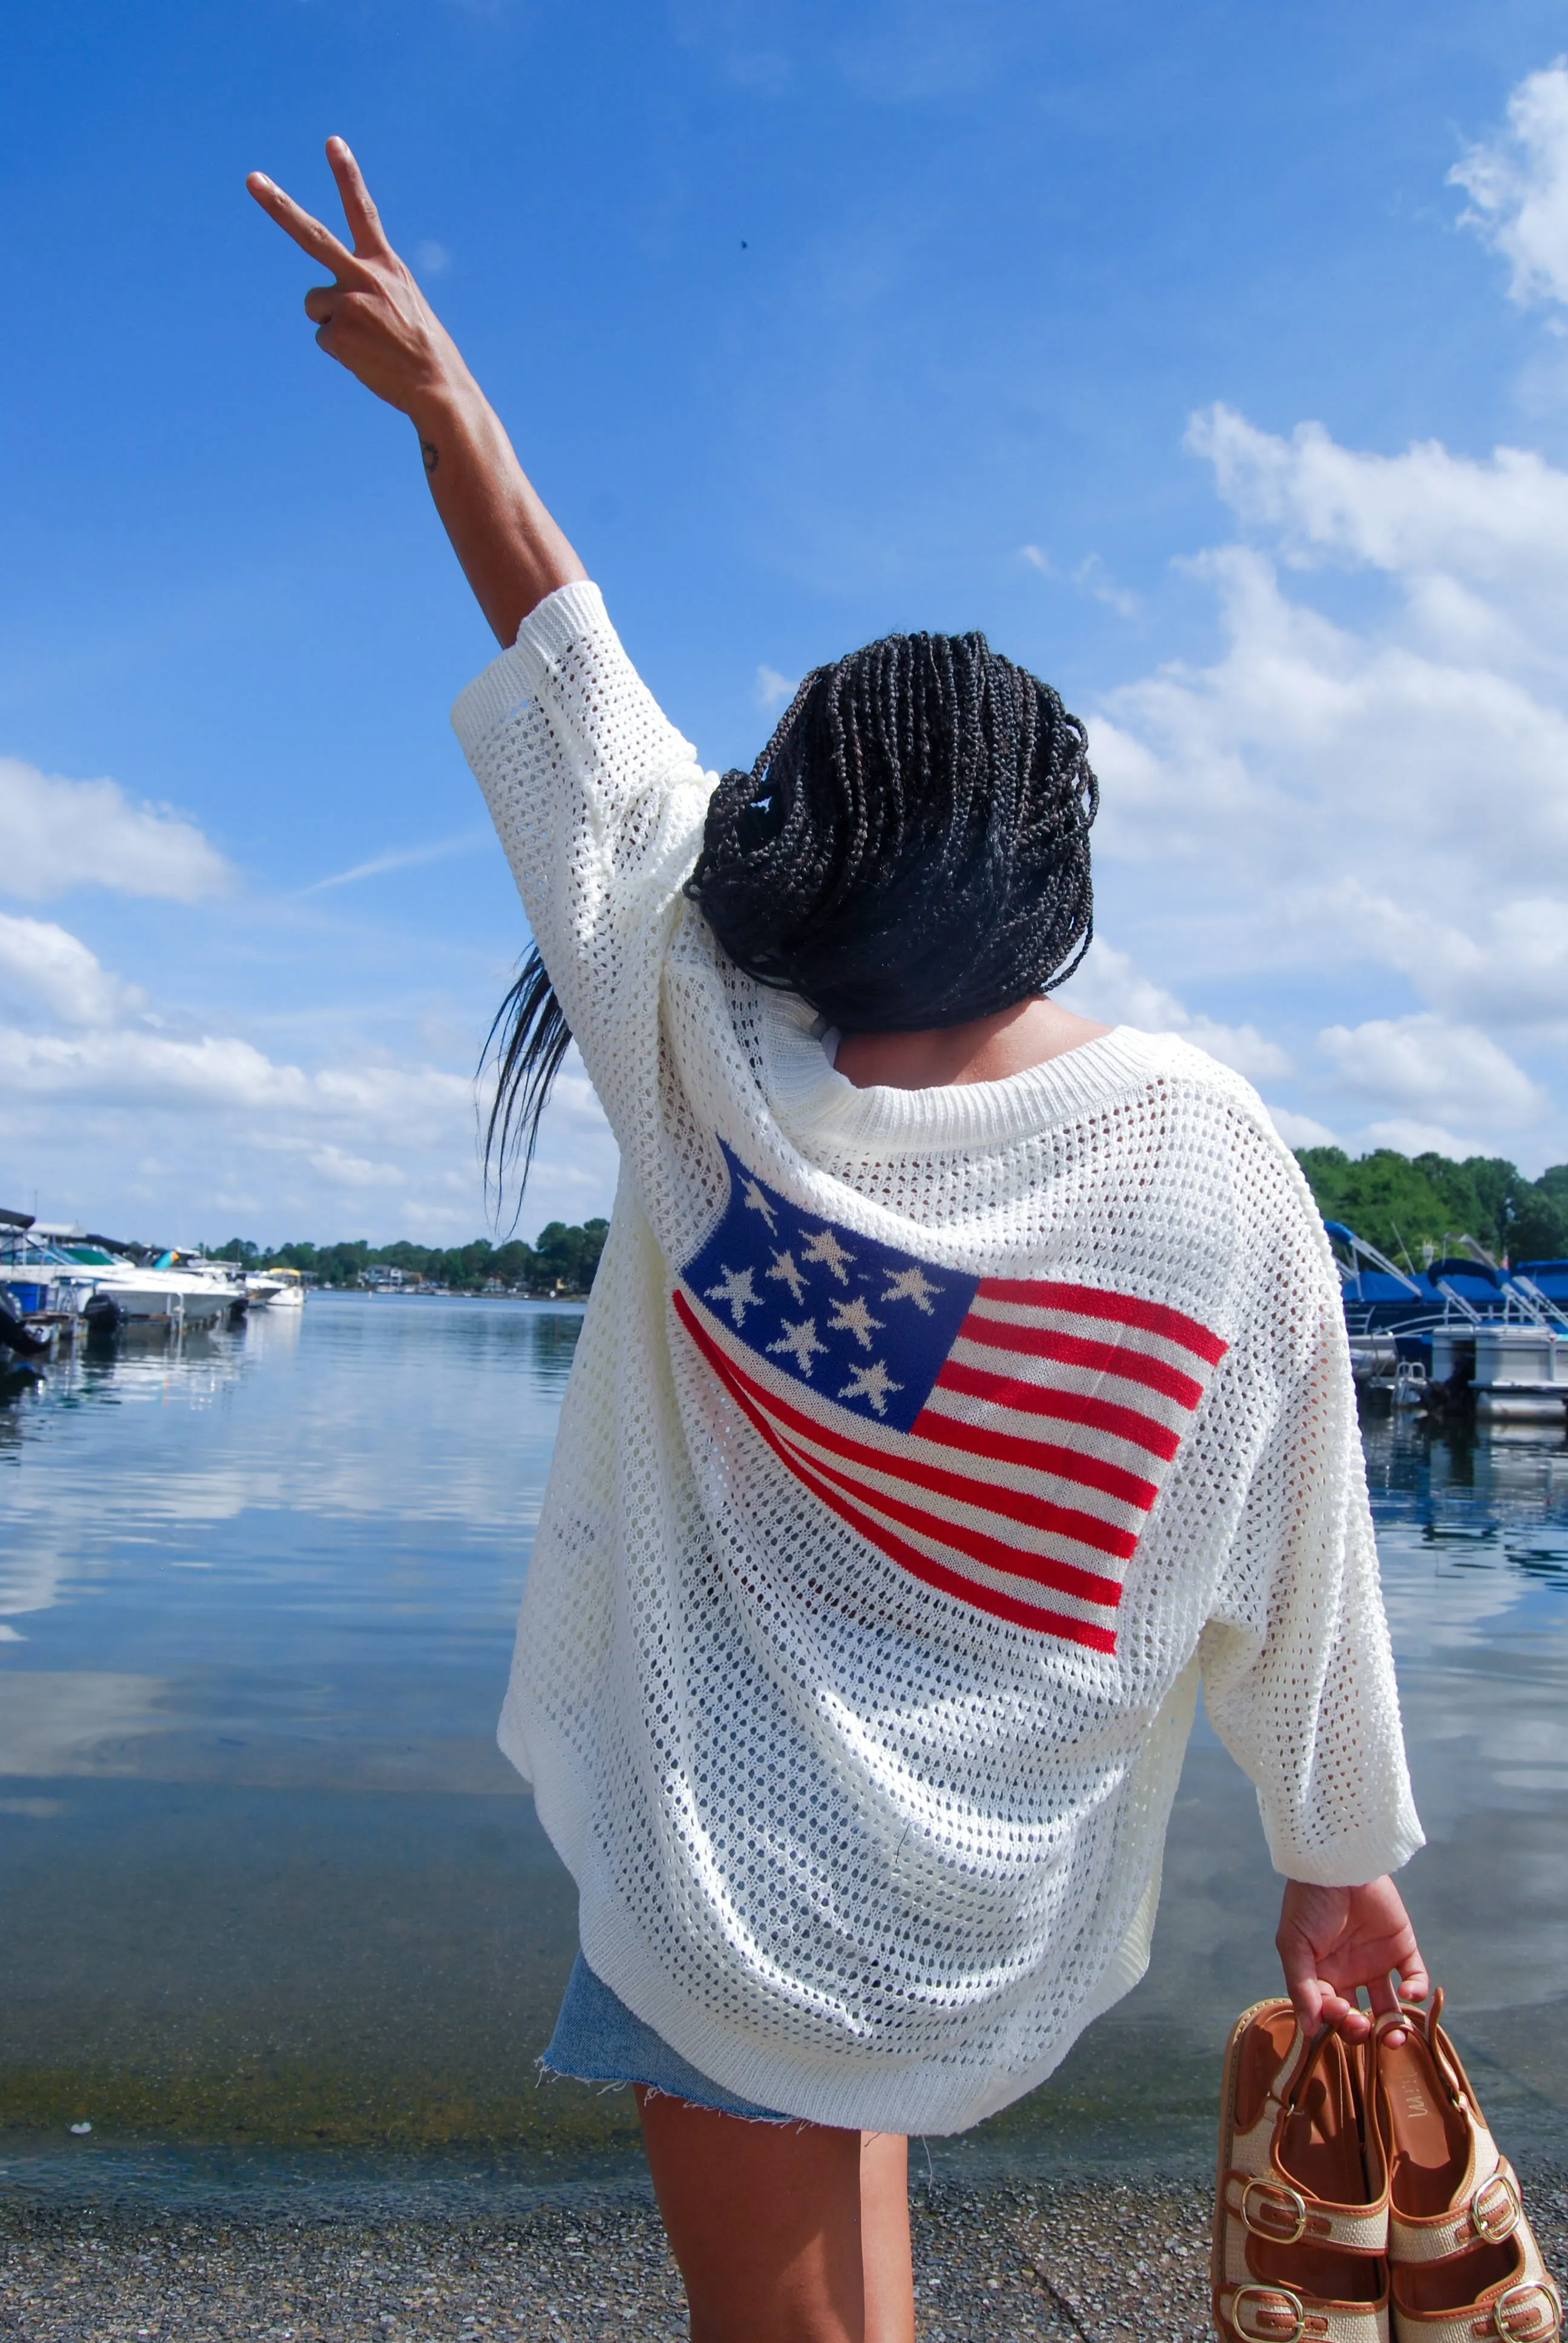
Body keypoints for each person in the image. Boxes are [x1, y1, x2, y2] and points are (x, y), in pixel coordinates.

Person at [249, 141, 1429, 2343]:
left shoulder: (702, 1055)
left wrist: (454, 411)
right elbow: (1311, 1534)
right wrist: (1333, 1855)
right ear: (1044, 850)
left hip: (727, 1870)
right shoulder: (1208, 1147)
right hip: (967, 1899)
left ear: (828, 823)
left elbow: (579, 695)